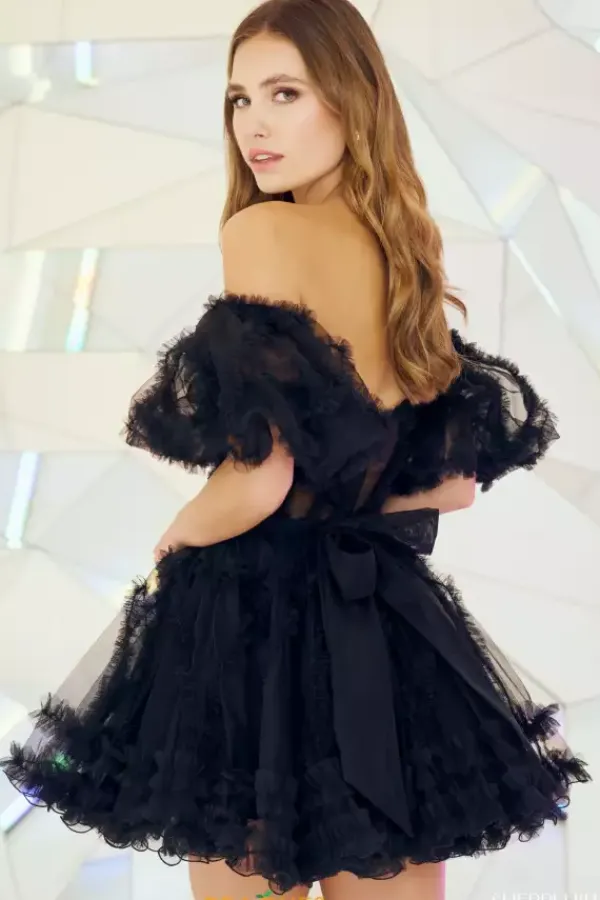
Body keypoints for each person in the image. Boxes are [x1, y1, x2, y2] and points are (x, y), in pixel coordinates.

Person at [0, 0, 592, 898]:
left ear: (351, 100)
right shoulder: (406, 256)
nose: (254, 125)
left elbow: (263, 473)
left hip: (249, 623)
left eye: (285, 93)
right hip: (384, 619)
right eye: (239, 99)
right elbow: (454, 487)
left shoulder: (261, 231)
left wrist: (179, 535)